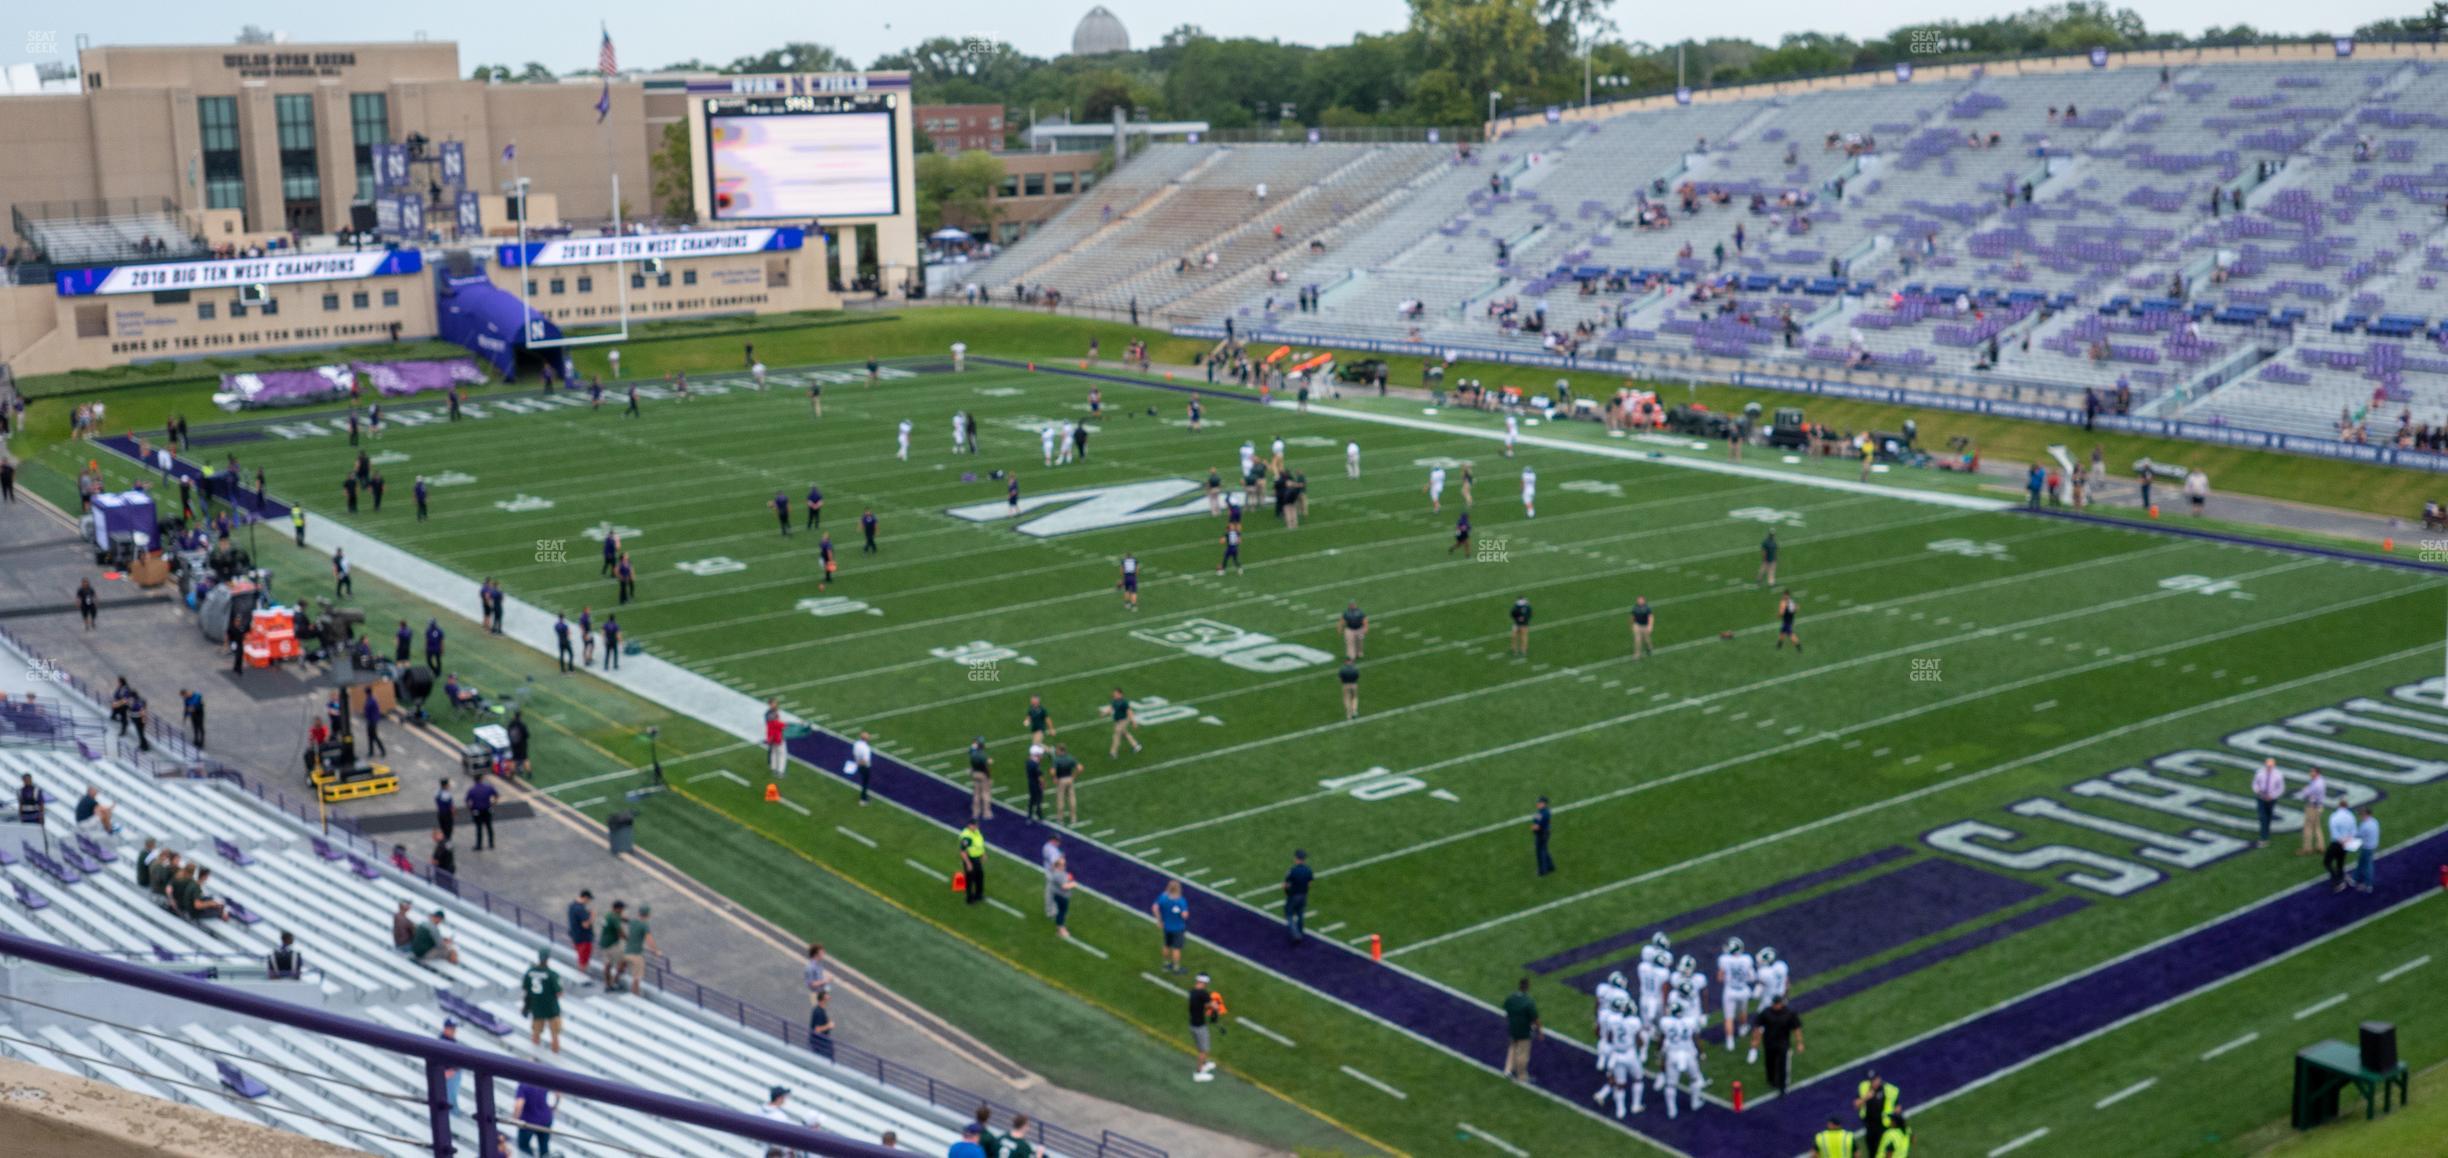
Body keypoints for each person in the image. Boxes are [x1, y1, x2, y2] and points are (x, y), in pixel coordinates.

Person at [1752, 992, 1804, 1096]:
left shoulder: (1789, 1013)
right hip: (1769, 1043)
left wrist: (1800, 1043)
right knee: (1769, 1063)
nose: (1776, 1005)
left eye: (1777, 1003)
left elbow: (1796, 1028)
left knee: (1783, 1065)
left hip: (1783, 1043)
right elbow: (1757, 1026)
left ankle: (1782, 1087)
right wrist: (1755, 1041)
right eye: (1775, 1003)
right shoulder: (1766, 1012)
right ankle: (1771, 1081)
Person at [521, 949, 564, 1054]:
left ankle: (535, 1056)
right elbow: (559, 993)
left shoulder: (530, 972)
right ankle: (555, 1054)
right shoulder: (551, 974)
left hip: (536, 1006)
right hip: (551, 1007)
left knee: (536, 1033)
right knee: (555, 1034)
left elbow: (525, 989)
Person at [1502, 978, 1540, 1080]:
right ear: (1527, 987)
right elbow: (1535, 1019)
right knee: (1523, 1053)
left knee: (1512, 1048)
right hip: (1524, 1031)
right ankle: (1521, 1076)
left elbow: (1506, 1014)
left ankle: (1508, 1070)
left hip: (1513, 1029)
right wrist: (1539, 1031)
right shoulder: (1528, 1002)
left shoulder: (1511, 998)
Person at [1855, 1071, 1901, 1154]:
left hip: (1883, 1126)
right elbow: (1856, 1105)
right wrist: (1866, 1097)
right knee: (1872, 1151)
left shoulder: (1888, 1090)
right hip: (1870, 1126)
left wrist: (1894, 1121)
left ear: (1879, 1078)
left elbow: (1897, 1108)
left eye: (1875, 1080)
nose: (1873, 1083)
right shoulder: (1864, 1087)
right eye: (1871, 1081)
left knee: (1884, 1151)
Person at [1187, 972, 1222, 1082]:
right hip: (1200, 1026)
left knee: (1200, 1046)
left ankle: (1204, 1064)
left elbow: (1203, 1004)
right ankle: (1199, 1072)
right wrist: (1216, 1005)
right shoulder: (1203, 994)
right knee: (1204, 1050)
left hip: (1192, 1024)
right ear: (1204, 982)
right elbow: (1215, 1006)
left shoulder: (1193, 992)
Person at [1152, 880, 1190, 973]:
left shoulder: (1163, 897)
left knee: (1167, 945)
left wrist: (1159, 920)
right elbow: (1185, 915)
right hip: (1178, 928)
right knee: (1176, 948)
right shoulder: (1181, 901)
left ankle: (1166, 964)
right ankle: (1176, 968)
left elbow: (1155, 907)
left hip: (1167, 927)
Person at [511, 1081, 557, 1156]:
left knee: (523, 1146)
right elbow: (558, 1094)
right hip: (545, 1119)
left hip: (528, 1122)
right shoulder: (541, 1080)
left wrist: (514, 1120)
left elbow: (518, 1105)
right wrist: (555, 1106)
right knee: (544, 1148)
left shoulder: (523, 1086)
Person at [2250, 758, 2285, 848]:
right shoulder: (2260, 772)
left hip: (2271, 799)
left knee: (2268, 816)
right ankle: (2264, 838)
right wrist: (2258, 792)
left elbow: (2280, 788)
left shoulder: (2278, 775)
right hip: (2261, 797)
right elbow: (2255, 784)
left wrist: (2272, 796)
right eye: (2267, 765)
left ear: (2274, 765)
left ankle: (2266, 830)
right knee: (2263, 817)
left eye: (2270, 766)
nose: (2269, 767)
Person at [2325, 795, 2357, 892]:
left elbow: (2334, 834)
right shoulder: (2351, 816)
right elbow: (2354, 831)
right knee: (2340, 863)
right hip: (2346, 843)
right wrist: (2347, 840)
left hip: (2336, 843)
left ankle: (2337, 881)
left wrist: (2341, 841)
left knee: (2327, 862)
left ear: (2339, 805)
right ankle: (2341, 878)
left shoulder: (2334, 816)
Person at [1281, 850, 1313, 944]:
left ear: (1297, 859)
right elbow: (1309, 884)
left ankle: (1296, 934)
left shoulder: (1292, 871)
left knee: (1289, 915)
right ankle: (1300, 931)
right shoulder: (1308, 870)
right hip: (1303, 895)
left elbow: (1285, 885)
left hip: (1293, 896)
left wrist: (1286, 890)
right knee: (1300, 914)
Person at [2297, 768, 2330, 857]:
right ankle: (2321, 846)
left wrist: (2304, 790)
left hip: (2313, 807)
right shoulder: (2320, 781)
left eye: (2312, 772)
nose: (2310, 773)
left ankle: (2307, 848)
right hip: (2318, 806)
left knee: (2308, 827)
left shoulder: (2317, 784)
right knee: (2317, 827)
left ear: (2317, 773)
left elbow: (2307, 793)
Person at [599, 901, 630, 990]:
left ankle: (608, 984)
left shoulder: (608, 915)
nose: (623, 911)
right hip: (612, 945)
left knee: (607, 964)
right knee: (624, 961)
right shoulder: (614, 918)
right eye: (622, 909)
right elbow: (621, 933)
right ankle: (615, 980)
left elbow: (619, 918)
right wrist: (629, 940)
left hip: (604, 944)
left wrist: (626, 920)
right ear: (618, 909)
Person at [1105, 689, 1143, 756]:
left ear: (1120, 694)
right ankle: (1136, 746)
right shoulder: (1114, 701)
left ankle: (1113, 752)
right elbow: (1111, 709)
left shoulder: (1124, 702)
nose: (1114, 695)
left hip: (1123, 721)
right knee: (1125, 734)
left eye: (1116, 694)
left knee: (1116, 735)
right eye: (1114, 694)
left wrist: (1133, 722)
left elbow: (1130, 712)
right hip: (1117, 721)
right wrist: (1104, 713)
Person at [567, 890, 596, 978]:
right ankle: (581, 978)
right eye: (589, 899)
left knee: (581, 958)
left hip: (576, 937)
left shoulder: (572, 906)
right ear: (585, 898)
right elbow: (586, 925)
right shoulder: (580, 909)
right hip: (584, 938)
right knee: (583, 960)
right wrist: (593, 916)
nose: (589, 902)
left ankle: (582, 975)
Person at [959, 822, 987, 905]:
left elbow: (979, 844)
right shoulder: (967, 837)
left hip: (977, 858)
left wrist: (983, 853)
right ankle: (969, 899)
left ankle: (979, 895)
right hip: (970, 859)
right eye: (973, 825)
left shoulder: (976, 832)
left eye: (976, 825)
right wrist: (968, 864)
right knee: (970, 879)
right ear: (969, 825)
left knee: (980, 876)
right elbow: (963, 852)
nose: (975, 826)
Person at [2353, 804, 2380, 893]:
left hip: (2367, 848)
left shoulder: (2365, 825)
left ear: (2365, 814)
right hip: (2372, 846)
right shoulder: (2374, 821)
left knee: (2367, 866)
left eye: (2361, 814)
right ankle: (2355, 878)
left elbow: (2357, 836)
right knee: (2362, 863)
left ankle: (2368, 885)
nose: (2360, 816)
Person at [1052, 744, 1080, 826]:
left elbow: (1053, 771)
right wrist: (1074, 776)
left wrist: (1054, 778)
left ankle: (1060, 819)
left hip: (1061, 780)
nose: (1056, 751)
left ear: (1061, 750)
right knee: (1072, 798)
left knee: (1060, 799)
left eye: (1057, 750)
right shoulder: (1070, 758)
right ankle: (1073, 818)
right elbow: (1080, 768)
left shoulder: (1057, 760)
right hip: (1070, 779)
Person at [468, 776, 498, 852]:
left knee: (479, 828)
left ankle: (479, 845)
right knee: (489, 827)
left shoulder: (472, 790)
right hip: (487, 810)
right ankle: (491, 844)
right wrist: (493, 804)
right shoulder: (488, 787)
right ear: (481, 779)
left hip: (477, 811)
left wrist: (471, 809)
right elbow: (496, 795)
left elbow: (468, 801)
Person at [966, 737, 993, 821]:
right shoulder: (983, 756)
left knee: (976, 794)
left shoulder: (973, 754)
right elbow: (986, 768)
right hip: (983, 775)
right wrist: (989, 777)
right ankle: (986, 813)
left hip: (974, 773)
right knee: (985, 794)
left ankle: (975, 812)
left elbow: (970, 750)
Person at [1532, 795, 1554, 876]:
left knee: (1540, 853)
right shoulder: (1545, 811)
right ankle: (1551, 866)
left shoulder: (1542, 814)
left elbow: (1536, 826)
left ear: (1544, 804)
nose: (1538, 804)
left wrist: (1534, 828)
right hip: (1545, 833)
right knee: (1544, 850)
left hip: (1541, 834)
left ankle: (1542, 870)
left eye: (1539, 802)